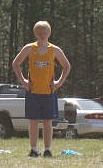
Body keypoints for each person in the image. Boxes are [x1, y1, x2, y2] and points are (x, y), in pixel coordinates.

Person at [12, 21, 71, 158]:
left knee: (47, 122)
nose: (42, 35)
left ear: (49, 33)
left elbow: (67, 66)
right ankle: (33, 149)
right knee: (33, 122)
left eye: (44, 32)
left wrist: (59, 82)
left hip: (49, 92)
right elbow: (16, 64)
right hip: (32, 92)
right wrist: (24, 81)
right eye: (39, 33)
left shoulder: (54, 50)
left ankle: (47, 150)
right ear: (35, 34)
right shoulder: (29, 48)